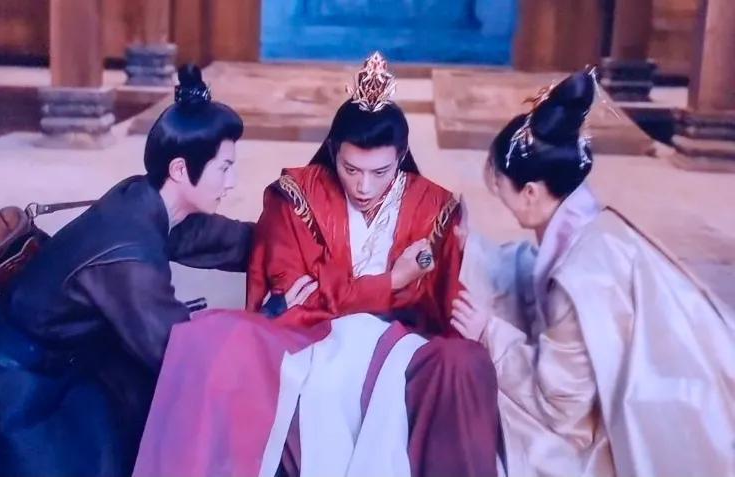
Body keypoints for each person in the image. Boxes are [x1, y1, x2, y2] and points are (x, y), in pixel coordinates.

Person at [134, 52, 499, 477]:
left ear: (401, 156)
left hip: (403, 346)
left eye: (380, 172)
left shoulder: (435, 208)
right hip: (315, 344)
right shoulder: (294, 197)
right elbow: (291, 300)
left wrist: (339, 287)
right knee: (217, 344)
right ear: (332, 150)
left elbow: (441, 310)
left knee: (464, 365)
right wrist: (393, 281)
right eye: (350, 169)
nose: (364, 186)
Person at [0, 65, 308, 477]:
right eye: (224, 167)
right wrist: (269, 318)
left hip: (68, 359)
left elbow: (212, 238)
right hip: (22, 391)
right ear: (180, 169)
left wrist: (294, 246)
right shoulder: (128, 257)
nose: (232, 181)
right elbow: (181, 352)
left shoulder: (144, 196)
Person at [452, 70, 735, 476]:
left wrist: (489, 334)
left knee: (480, 404)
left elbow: (562, 413)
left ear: (530, 192)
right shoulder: (593, 220)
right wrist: (471, 247)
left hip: (638, 432)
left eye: (503, 189)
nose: (504, 202)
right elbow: (532, 267)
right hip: (697, 386)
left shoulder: (577, 280)